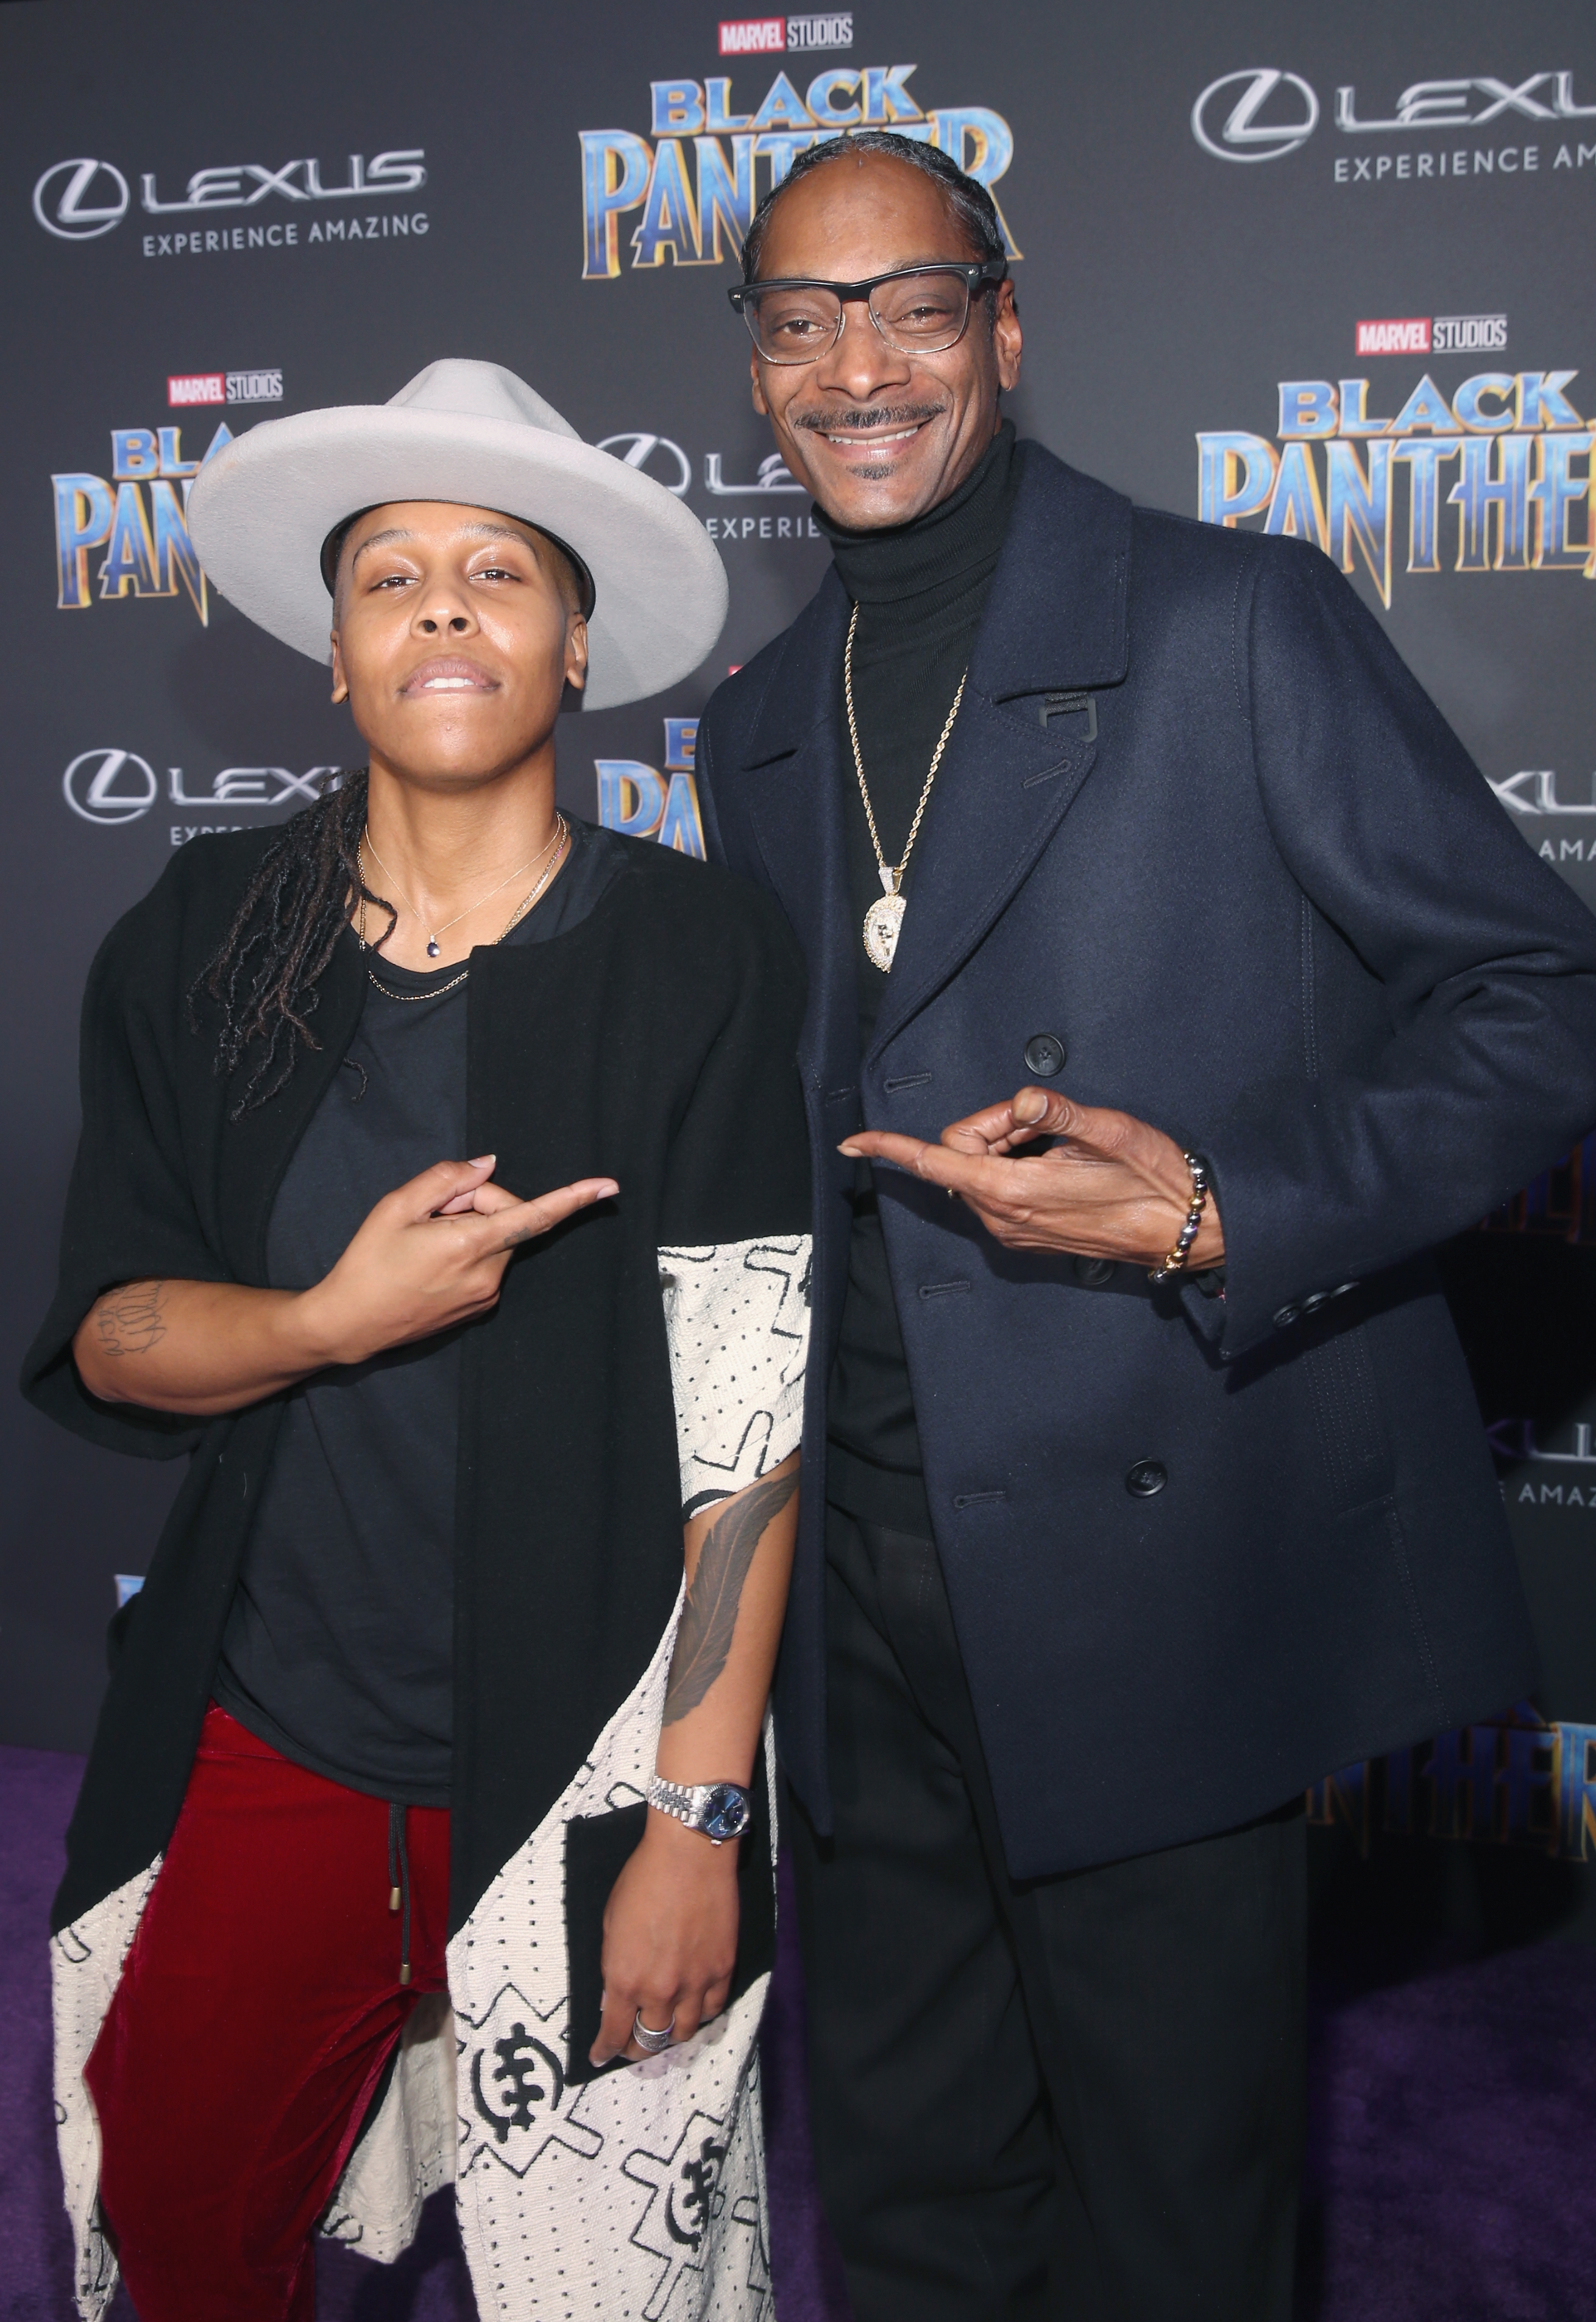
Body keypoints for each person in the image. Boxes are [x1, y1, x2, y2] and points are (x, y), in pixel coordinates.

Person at [695, 132, 1596, 2321]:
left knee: (1174, 2233)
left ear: (1002, 327)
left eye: (912, 307)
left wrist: (1219, 1206)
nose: (857, 368)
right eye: (802, 322)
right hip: (857, 1597)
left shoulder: (1230, 620)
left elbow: (1540, 998)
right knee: (910, 2208)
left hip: (1153, 1572)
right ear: (755, 370)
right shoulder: (753, 733)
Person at [24, 359, 810, 2322]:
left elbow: (751, 1425)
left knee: (602, 2288)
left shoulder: (701, 953)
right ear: (334, 652)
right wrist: (325, 1318)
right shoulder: (206, 933)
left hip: (593, 1756)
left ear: (574, 647)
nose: (441, 608)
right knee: (179, 2220)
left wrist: (696, 1819)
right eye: (389, 576)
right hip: (277, 1728)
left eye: (496, 572)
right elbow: (113, 1337)